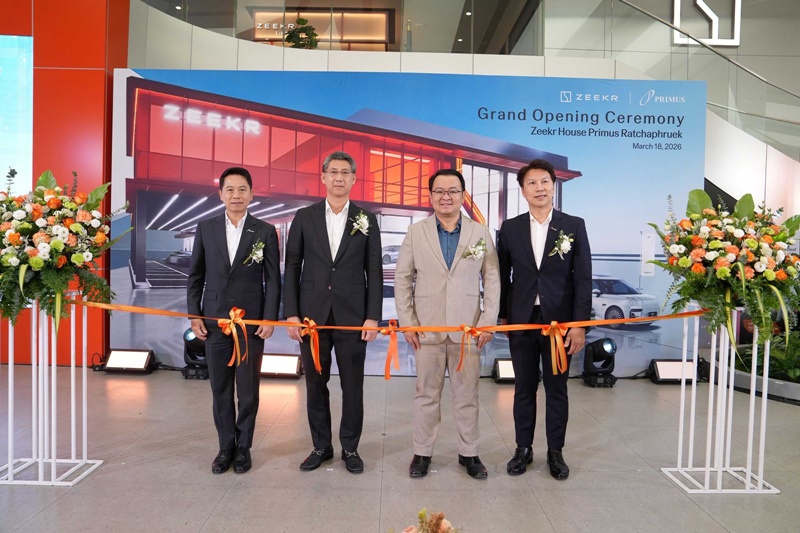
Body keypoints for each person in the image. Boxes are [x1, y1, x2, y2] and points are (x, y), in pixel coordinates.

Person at [395, 169, 500, 480]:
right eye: (439, 191)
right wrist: (409, 323)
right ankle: (422, 453)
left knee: (467, 397)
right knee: (426, 395)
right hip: (426, 330)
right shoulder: (416, 232)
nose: (446, 196)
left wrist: (487, 322)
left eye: (453, 191)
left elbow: (492, 279)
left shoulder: (480, 232)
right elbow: (402, 279)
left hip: (468, 330)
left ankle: (469, 453)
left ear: (462, 196)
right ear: (430, 196)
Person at [284, 151, 383, 474]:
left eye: (345, 172)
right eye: (333, 172)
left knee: (353, 386)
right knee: (315, 383)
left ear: (354, 179)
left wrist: (372, 316)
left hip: (353, 316)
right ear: (323, 177)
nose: (339, 177)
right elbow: (293, 266)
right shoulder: (305, 217)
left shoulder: (367, 219)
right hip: (312, 316)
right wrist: (291, 313)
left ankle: (350, 448)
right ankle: (321, 446)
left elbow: (374, 271)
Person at [497, 158, 592, 480]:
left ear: (553, 187)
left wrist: (579, 325)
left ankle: (555, 452)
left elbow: (583, 278)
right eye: (532, 183)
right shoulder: (510, 228)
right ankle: (522, 449)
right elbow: (502, 276)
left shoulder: (573, 225)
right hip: (522, 321)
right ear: (523, 191)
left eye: (545, 182)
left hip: (559, 324)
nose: (539, 188)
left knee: (556, 389)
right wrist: (502, 317)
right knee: (523, 388)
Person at [187, 167, 281, 475]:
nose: (236, 195)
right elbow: (196, 276)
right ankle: (225, 447)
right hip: (214, 322)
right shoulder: (206, 228)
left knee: (248, 389)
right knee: (220, 388)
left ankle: (244, 448)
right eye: (230, 189)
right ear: (221, 194)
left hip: (250, 324)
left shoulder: (265, 231)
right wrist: (194, 315)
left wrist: (269, 318)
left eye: (242, 190)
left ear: (252, 194)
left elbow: (273, 280)